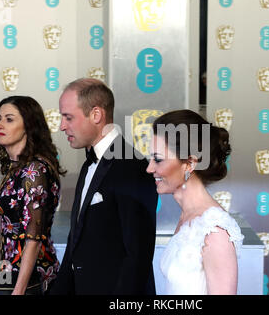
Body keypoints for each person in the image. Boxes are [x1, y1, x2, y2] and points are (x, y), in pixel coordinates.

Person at [49, 78, 158, 295]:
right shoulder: (89, 164)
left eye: (68, 117)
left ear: (96, 115)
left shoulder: (132, 167)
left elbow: (137, 256)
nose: (62, 126)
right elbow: (76, 242)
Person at [0, 96, 65, 295]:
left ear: (28, 126)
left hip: (31, 278)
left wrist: (19, 290)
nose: (0, 125)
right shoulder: (16, 169)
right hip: (11, 272)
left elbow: (34, 237)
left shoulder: (35, 170)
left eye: (9, 119)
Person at [146, 109, 244, 295]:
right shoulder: (188, 217)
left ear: (190, 163)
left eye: (158, 159)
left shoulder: (214, 230)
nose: (149, 168)